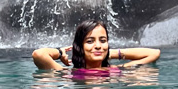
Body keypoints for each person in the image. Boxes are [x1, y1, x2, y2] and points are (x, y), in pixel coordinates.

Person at [32, 20, 161, 71]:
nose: (98, 45)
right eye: (90, 41)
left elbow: (154, 53)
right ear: (79, 46)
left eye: (103, 40)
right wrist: (60, 52)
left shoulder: (117, 70)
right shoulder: (69, 74)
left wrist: (108, 53)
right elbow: (39, 55)